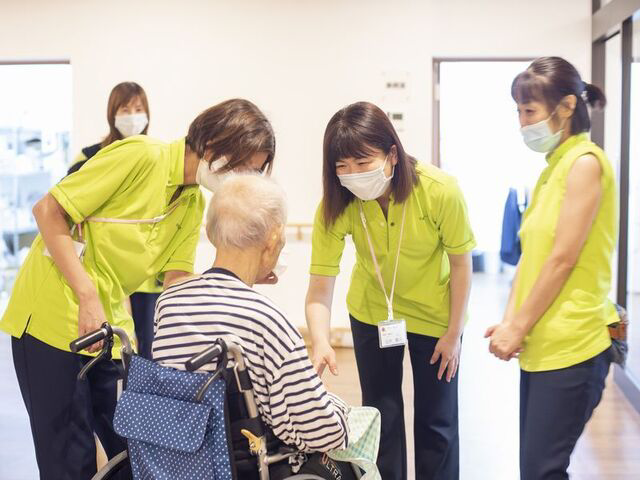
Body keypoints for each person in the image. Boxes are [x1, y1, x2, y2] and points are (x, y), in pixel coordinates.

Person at [0, 98, 275, 479]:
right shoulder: (141, 156)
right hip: (51, 317)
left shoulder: (191, 204)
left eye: (256, 172)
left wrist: (243, 272)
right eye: (246, 167)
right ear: (215, 144)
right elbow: (47, 211)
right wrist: (87, 295)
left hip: (108, 329)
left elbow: (177, 282)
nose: (246, 180)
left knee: (133, 449)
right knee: (70, 459)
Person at [305, 101, 475, 480]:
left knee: (437, 422)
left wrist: (453, 334)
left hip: (435, 316)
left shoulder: (440, 191)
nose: (353, 175)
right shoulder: (337, 204)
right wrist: (320, 340)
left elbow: (462, 265)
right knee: (381, 417)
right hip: (372, 313)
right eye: (342, 166)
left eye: (363, 162)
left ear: (392, 155)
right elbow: (320, 287)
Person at [152, 173, 353, 479]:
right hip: (249, 466)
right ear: (274, 238)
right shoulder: (268, 321)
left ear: (212, 232)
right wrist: (338, 408)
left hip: (180, 461)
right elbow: (324, 434)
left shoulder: (169, 303)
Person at [485, 56, 615, 480]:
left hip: (574, 344)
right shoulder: (554, 168)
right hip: (543, 344)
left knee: (543, 470)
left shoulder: (585, 163)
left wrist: (518, 327)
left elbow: (563, 259)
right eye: (519, 112)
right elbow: (532, 255)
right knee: (536, 469)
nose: (522, 123)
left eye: (529, 111)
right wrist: (510, 322)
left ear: (566, 106)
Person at [69, 81, 160, 360]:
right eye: (125, 109)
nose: (132, 116)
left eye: (138, 109)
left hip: (145, 269)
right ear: (112, 114)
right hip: (104, 266)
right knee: (107, 342)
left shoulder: (157, 156)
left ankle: (141, 389)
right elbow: (67, 206)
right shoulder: (89, 157)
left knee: (148, 345)